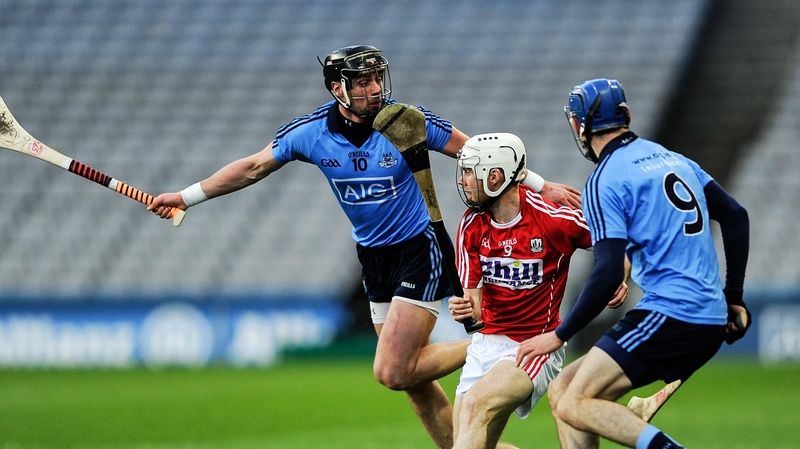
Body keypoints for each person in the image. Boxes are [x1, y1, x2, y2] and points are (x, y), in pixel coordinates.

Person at [147, 45, 581, 449]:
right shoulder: (312, 133)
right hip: (373, 259)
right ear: (338, 88)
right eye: (363, 81)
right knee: (412, 386)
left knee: (391, 370)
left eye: (377, 78)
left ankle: (493, 345)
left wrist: (541, 185)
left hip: (419, 248)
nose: (375, 88)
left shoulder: (404, 120)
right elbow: (253, 167)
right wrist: (186, 197)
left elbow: (479, 151)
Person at [515, 78, 751, 449]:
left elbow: (608, 270)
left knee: (576, 402)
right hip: (700, 312)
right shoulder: (673, 158)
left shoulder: (605, 178)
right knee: (562, 392)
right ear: (625, 116)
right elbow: (736, 216)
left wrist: (559, 334)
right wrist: (734, 295)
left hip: (674, 313)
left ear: (580, 126)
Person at [447, 132, 630, 449]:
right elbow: (473, 304)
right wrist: (464, 309)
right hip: (485, 343)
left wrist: (620, 275)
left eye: (469, 171)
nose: (463, 181)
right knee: (466, 441)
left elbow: (615, 248)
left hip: (535, 344)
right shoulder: (470, 225)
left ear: (495, 176)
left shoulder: (554, 219)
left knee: (477, 405)